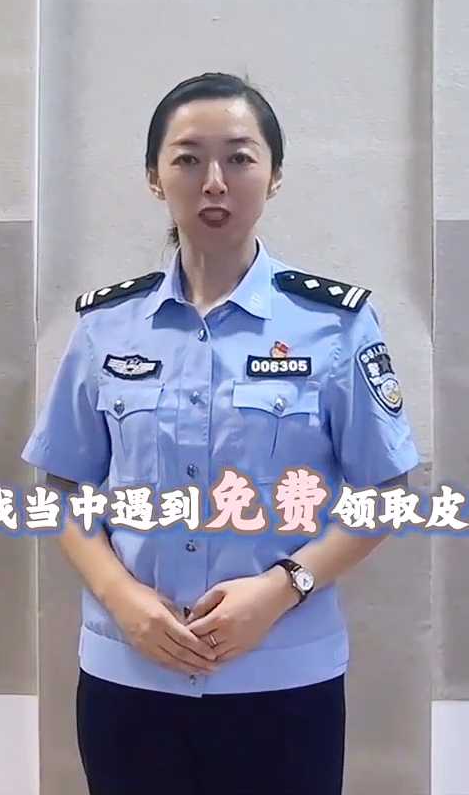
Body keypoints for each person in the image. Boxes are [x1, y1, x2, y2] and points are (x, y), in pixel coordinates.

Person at [21, 72, 420, 795]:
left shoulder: (334, 324)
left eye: (238, 157)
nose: (214, 182)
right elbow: (62, 486)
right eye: (187, 159)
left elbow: (387, 492)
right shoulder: (107, 326)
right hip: (129, 676)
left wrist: (282, 588)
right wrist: (120, 597)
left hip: (283, 680)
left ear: (274, 175)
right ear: (154, 177)